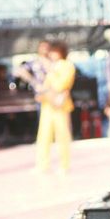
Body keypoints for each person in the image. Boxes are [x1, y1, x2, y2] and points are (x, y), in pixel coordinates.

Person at [35, 41, 76, 174]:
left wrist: (51, 72)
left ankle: (64, 165)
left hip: (60, 105)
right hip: (47, 105)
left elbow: (61, 85)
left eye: (54, 51)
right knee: (44, 136)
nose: (51, 54)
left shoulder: (67, 65)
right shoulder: (51, 67)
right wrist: (41, 92)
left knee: (62, 135)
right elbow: (47, 86)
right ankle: (43, 165)